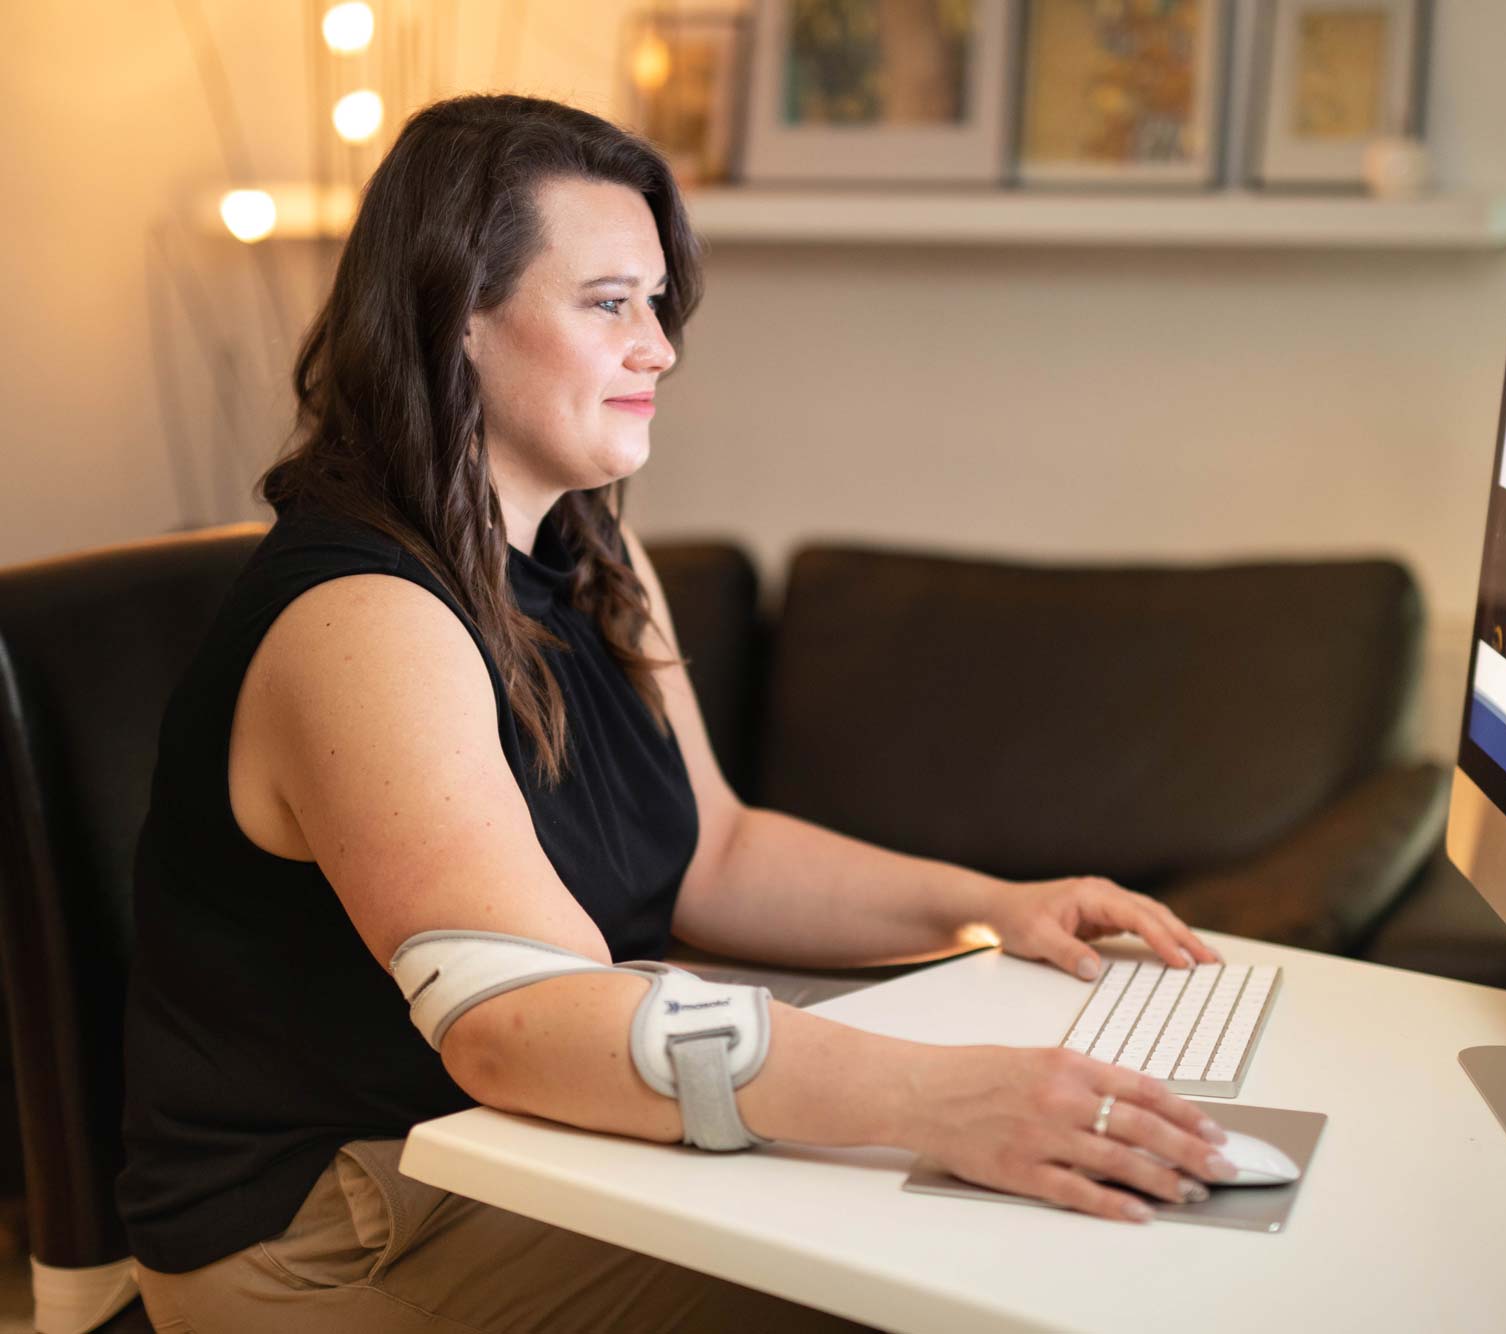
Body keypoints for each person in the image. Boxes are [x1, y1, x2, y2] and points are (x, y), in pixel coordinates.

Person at [118, 94, 1238, 1333]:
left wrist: (991, 906)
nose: (657, 345)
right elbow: (514, 1025)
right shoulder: (365, 622)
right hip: (346, 1227)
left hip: (505, 1151)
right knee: (925, 1272)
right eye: (608, 302)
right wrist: (937, 1099)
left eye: (658, 303)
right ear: (460, 322)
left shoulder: (591, 554)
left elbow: (719, 849)